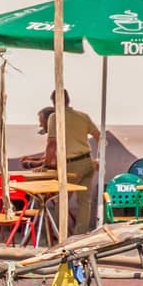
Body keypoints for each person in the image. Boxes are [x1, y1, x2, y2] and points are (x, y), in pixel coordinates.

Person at [45, 90, 101, 230]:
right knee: (84, 202)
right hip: (88, 161)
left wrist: (46, 164)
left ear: (54, 102)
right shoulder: (83, 116)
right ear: (69, 100)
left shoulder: (54, 117)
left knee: (62, 201)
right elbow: (99, 136)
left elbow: (52, 143)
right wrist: (99, 157)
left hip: (71, 164)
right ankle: (79, 235)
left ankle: (60, 234)